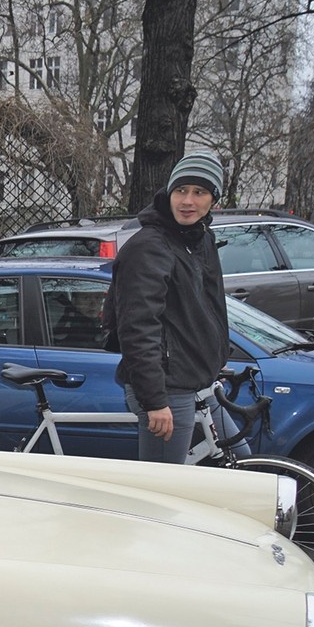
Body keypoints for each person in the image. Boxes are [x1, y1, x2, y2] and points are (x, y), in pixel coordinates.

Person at [108, 151, 232, 463]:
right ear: (169, 192)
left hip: (197, 381)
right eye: (181, 190)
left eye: (199, 192)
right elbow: (138, 327)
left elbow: (209, 309)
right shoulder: (149, 246)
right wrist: (154, 400)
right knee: (162, 490)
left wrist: (215, 360)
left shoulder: (198, 238)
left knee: (238, 462)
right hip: (166, 386)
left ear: (213, 200)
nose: (188, 201)